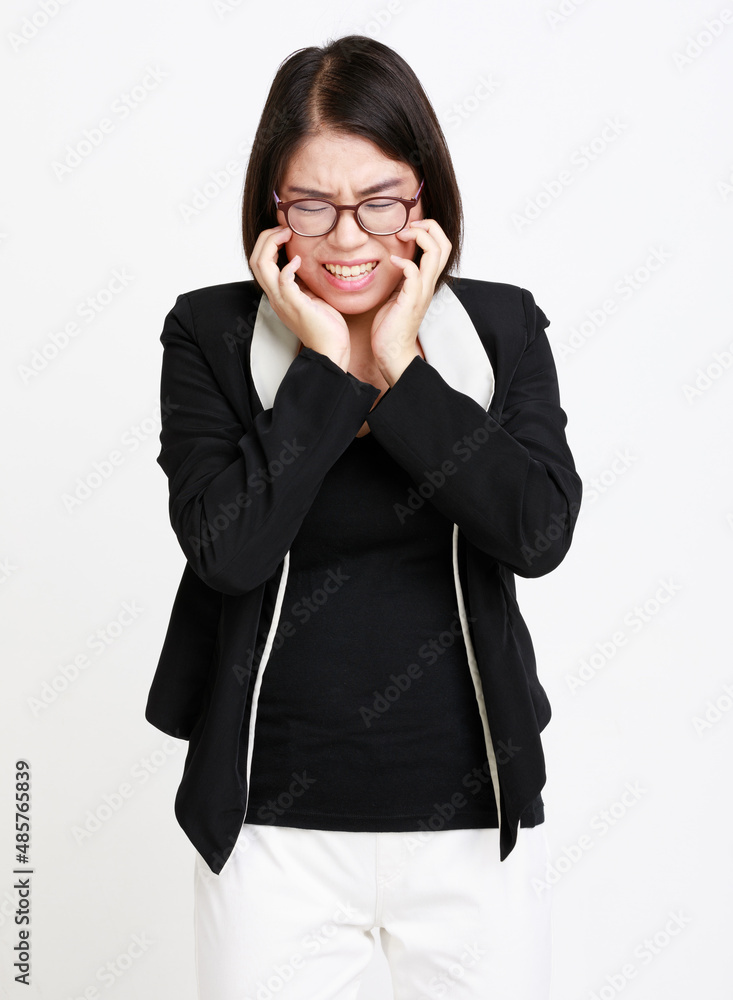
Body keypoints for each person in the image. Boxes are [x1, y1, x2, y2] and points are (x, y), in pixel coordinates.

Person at [145, 34, 582, 1000]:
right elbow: (228, 552)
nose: (346, 238)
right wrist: (325, 372)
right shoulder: (210, 334)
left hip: (472, 827)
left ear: (423, 200)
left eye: (378, 201)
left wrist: (402, 370)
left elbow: (537, 533)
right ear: (273, 208)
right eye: (311, 204)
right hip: (269, 834)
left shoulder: (501, 328)